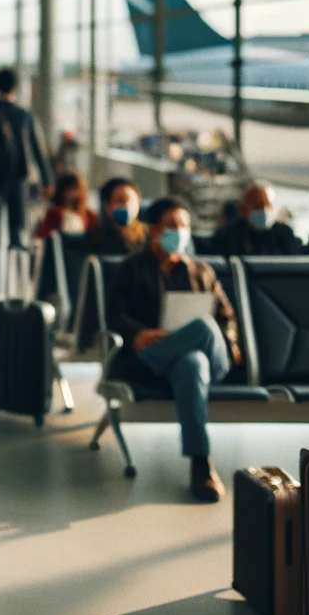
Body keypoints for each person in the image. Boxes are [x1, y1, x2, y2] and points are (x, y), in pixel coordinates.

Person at [106, 197, 242, 502]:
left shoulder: (201, 271)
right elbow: (114, 314)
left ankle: (142, 362)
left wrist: (230, 339)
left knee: (205, 328)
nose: (180, 232)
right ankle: (201, 464)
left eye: (184, 226)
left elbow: (226, 315)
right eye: (172, 226)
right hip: (174, 366)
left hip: (214, 359)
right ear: (154, 230)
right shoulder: (132, 269)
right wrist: (138, 333)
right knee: (191, 363)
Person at [0, 68, 54, 299]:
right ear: (15, 88)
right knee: (18, 233)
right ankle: (17, 286)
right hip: (18, 180)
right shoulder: (24, 115)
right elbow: (39, 150)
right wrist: (48, 181)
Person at [211, 182, 305, 257]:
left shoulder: (284, 233)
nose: (263, 212)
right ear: (245, 210)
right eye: (257, 207)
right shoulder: (231, 234)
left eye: (268, 207)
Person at [92, 177, 147, 255]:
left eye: (130, 200)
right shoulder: (96, 239)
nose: (126, 205)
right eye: (120, 200)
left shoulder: (148, 237)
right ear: (107, 206)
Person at [35, 172, 97, 239]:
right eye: (68, 189)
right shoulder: (54, 213)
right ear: (62, 191)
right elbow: (42, 236)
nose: (71, 193)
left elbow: (96, 239)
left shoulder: (90, 215)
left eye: (75, 189)